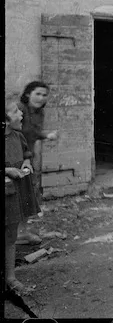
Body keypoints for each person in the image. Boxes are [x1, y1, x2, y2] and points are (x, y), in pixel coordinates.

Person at [5, 93, 40, 295]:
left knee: (10, 234)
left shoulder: (18, 136)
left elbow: (27, 153)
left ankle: (10, 277)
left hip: (14, 193)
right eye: (16, 112)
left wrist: (26, 163)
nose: (21, 115)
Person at [17, 81, 59, 246]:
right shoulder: (19, 110)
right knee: (18, 195)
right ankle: (17, 234)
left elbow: (32, 132)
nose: (41, 98)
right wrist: (26, 157)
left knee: (26, 195)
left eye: (44, 95)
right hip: (16, 158)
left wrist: (46, 135)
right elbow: (16, 135)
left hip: (27, 158)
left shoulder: (38, 112)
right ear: (28, 94)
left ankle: (21, 232)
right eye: (37, 94)